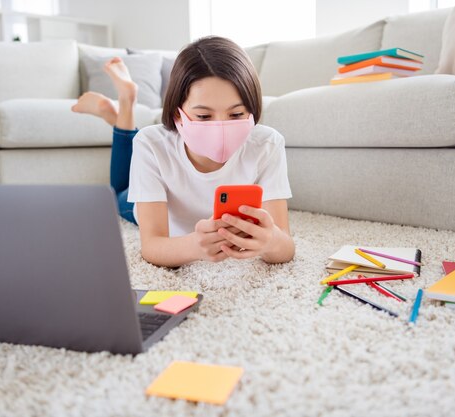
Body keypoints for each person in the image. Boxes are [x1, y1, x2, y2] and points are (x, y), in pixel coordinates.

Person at [72, 36, 294, 267]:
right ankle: (126, 106)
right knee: (117, 195)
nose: (220, 128)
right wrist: (192, 247)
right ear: (178, 114)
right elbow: (152, 247)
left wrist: (271, 242)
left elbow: (285, 246)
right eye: (204, 116)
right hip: (147, 205)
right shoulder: (151, 142)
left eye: (236, 114)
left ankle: (122, 114)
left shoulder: (267, 144)